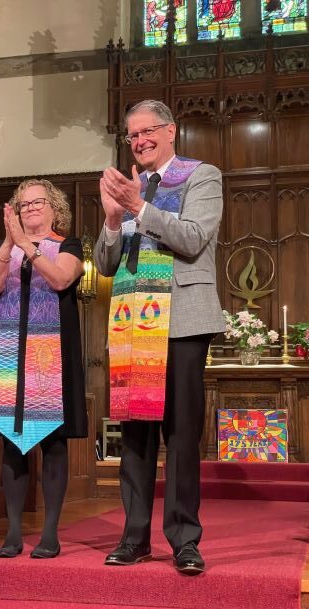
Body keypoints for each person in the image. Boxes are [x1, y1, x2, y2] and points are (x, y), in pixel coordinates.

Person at [95, 99, 225, 574]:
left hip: (183, 320)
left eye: (148, 131)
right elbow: (106, 264)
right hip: (133, 322)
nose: (140, 140)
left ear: (171, 131)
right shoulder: (129, 190)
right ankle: (134, 537)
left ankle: (185, 539)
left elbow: (191, 238)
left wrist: (138, 206)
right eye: (132, 135)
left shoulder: (201, 176)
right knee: (136, 436)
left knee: (183, 435)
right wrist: (112, 218)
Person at [0, 178, 87, 560]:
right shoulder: (6, 249)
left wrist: (29, 247)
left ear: (54, 208)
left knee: (53, 444)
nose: (30, 209)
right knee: (12, 442)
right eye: (23, 205)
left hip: (52, 354)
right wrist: (10, 244)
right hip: (12, 353)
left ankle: (50, 533)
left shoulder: (69, 244)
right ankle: (12, 532)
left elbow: (60, 278)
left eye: (37, 202)